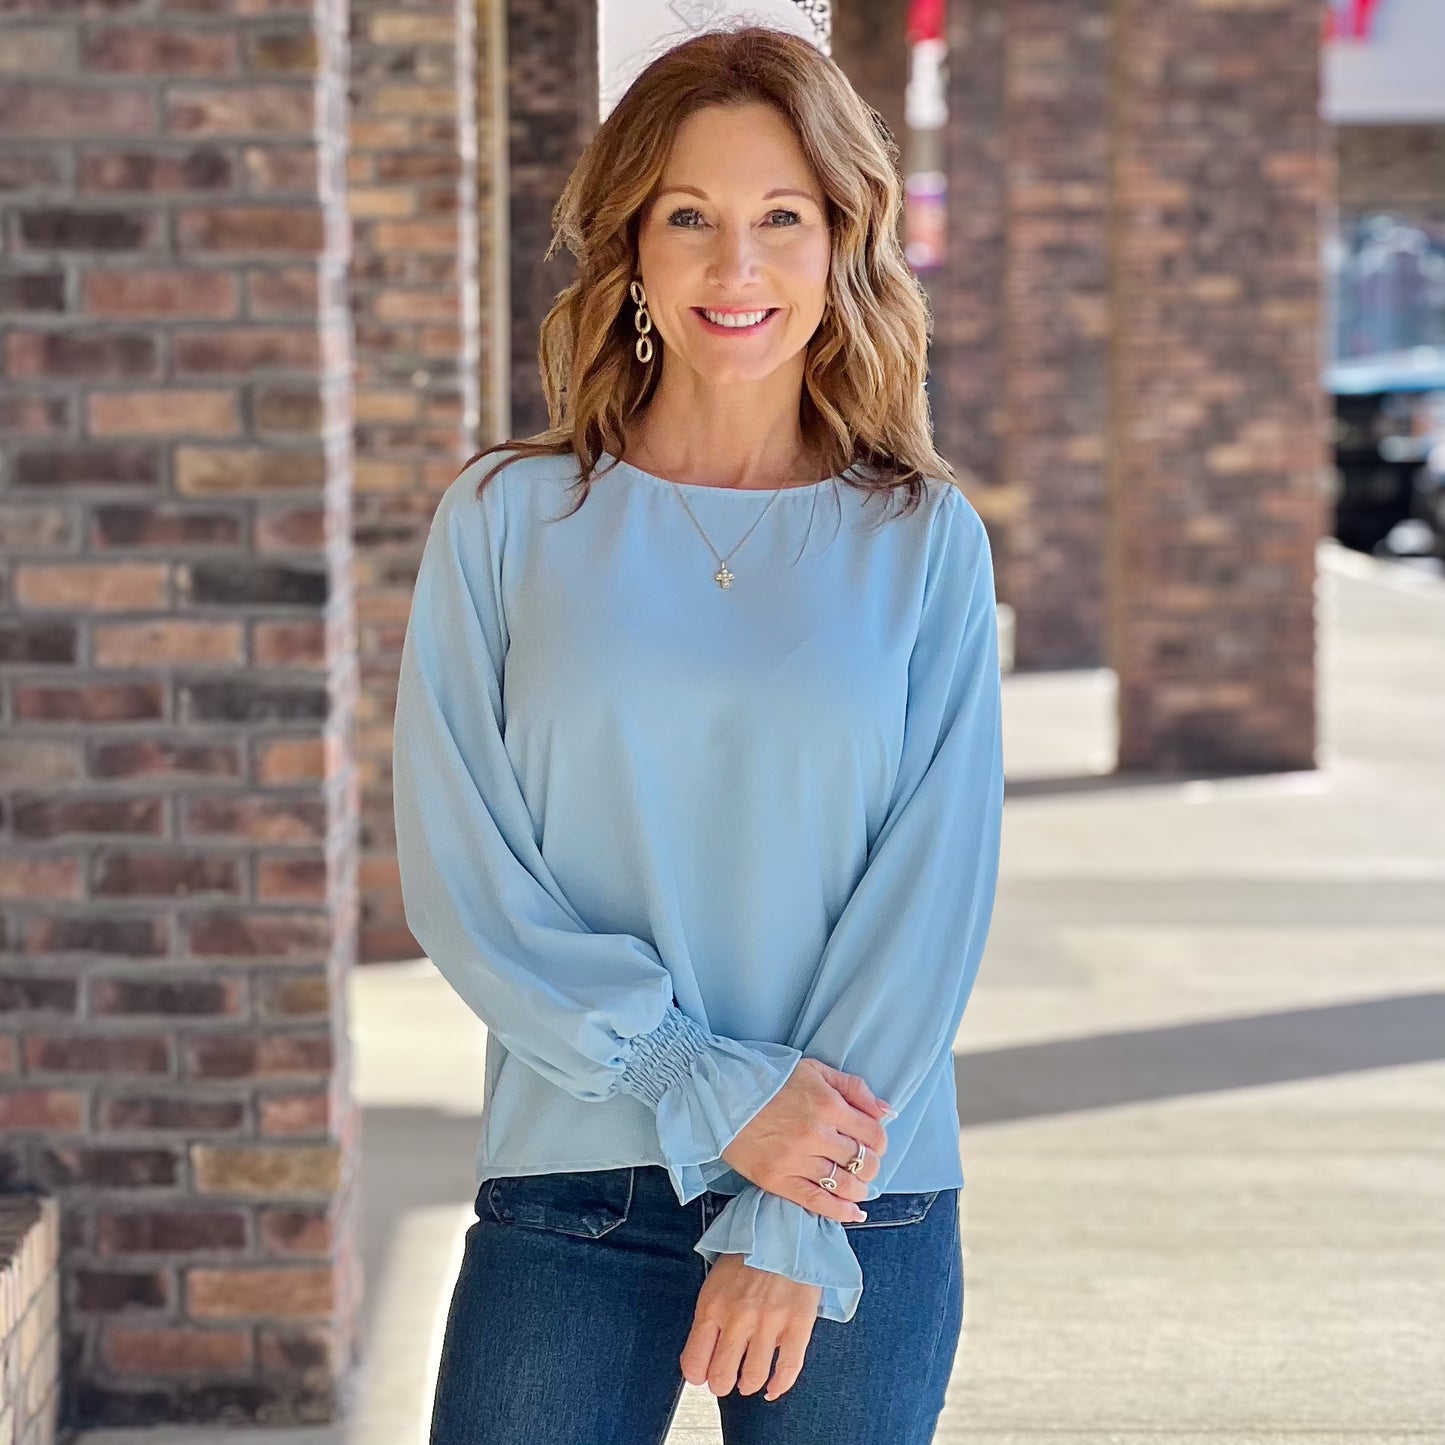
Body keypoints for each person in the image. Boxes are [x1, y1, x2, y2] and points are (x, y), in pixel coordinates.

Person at [394, 23, 1005, 1445]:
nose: (737, 268)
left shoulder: (920, 543)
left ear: (842, 243)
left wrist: (791, 1206)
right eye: (691, 218)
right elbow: (464, 877)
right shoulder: (506, 524)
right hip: (579, 1181)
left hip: (856, 1194)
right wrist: (696, 1081)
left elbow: (932, 898)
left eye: (780, 218)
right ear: (633, 254)